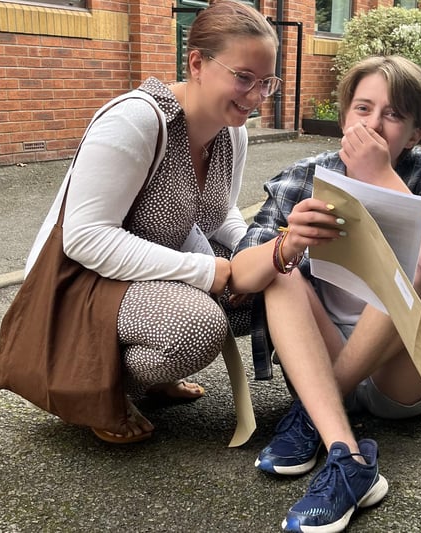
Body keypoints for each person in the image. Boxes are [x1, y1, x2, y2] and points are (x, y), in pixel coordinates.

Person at [231, 55, 421, 532]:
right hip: (318, 356)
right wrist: (290, 242)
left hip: (399, 374)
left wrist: (383, 178)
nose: (374, 124)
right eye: (363, 108)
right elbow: (239, 280)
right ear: (345, 116)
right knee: (277, 270)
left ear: (415, 133)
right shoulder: (304, 175)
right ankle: (350, 461)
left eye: (393, 115)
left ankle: (309, 417)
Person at [24, 0, 280, 444]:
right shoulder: (137, 119)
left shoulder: (232, 132)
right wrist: (209, 273)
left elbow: (220, 215)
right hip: (84, 285)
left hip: (149, 275)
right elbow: (85, 239)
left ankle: (155, 378)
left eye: (266, 83)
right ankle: (93, 390)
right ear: (197, 63)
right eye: (243, 78)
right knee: (197, 326)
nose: (256, 97)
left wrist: (248, 255)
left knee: (268, 288)